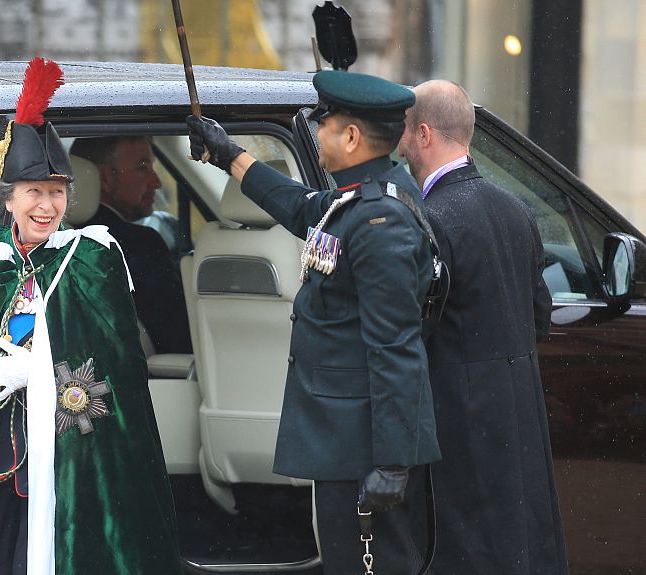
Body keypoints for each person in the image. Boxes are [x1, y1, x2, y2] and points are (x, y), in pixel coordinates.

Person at [0, 58, 182, 575]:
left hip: (70, 467)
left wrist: (45, 377)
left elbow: (121, 373)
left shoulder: (93, 260)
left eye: (56, 192)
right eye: (34, 192)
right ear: (9, 200)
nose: (46, 205)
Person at [187, 70, 440, 575]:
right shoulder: (358, 200)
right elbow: (301, 208)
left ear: (350, 137)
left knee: (371, 565)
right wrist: (228, 154)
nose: (317, 134)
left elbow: (395, 349)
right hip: (343, 442)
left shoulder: (380, 223)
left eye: (323, 125)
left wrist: (392, 461)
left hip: (363, 449)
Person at [398, 79, 568, 574]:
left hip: (458, 418)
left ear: (424, 133)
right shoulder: (516, 210)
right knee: (518, 546)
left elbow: (412, 331)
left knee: (466, 551)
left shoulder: (429, 221)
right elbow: (540, 315)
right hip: (519, 414)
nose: (403, 144)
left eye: (406, 132)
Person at [69, 136, 192, 354]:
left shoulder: (54, 244)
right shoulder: (140, 243)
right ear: (104, 178)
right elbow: (178, 341)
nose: (157, 182)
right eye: (142, 168)